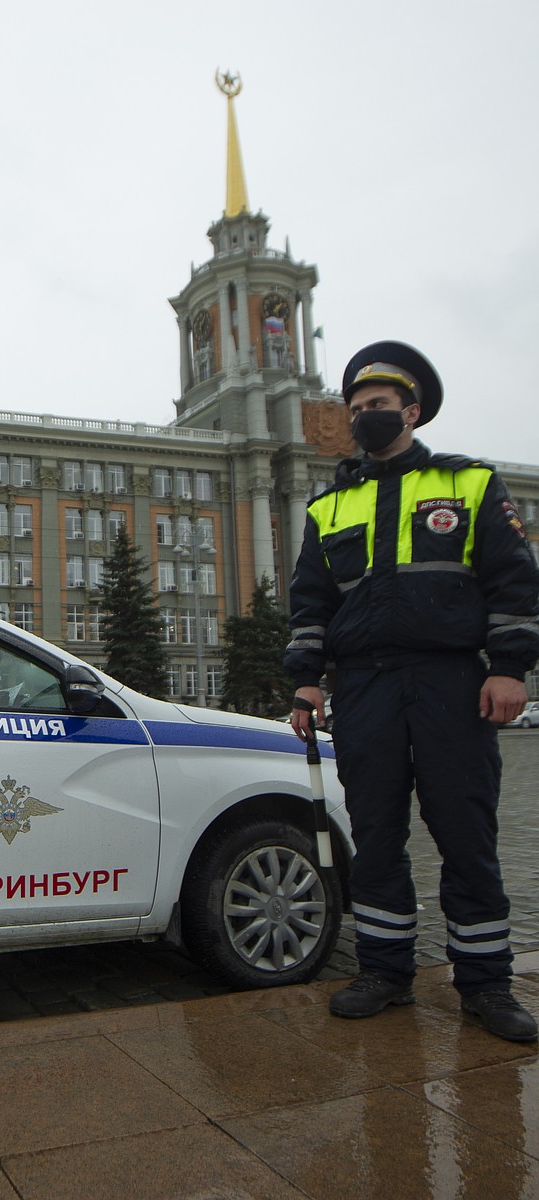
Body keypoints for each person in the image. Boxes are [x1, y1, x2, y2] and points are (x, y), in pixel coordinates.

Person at [285, 340, 539, 1042]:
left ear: (412, 410)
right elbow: (310, 604)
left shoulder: (470, 484)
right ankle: (385, 971)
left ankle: (486, 983)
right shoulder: (330, 507)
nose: (368, 416)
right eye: (358, 408)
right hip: (364, 686)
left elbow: (513, 581)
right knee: (375, 832)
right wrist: (306, 683)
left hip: (451, 681)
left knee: (465, 832)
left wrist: (510, 667)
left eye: (380, 406)